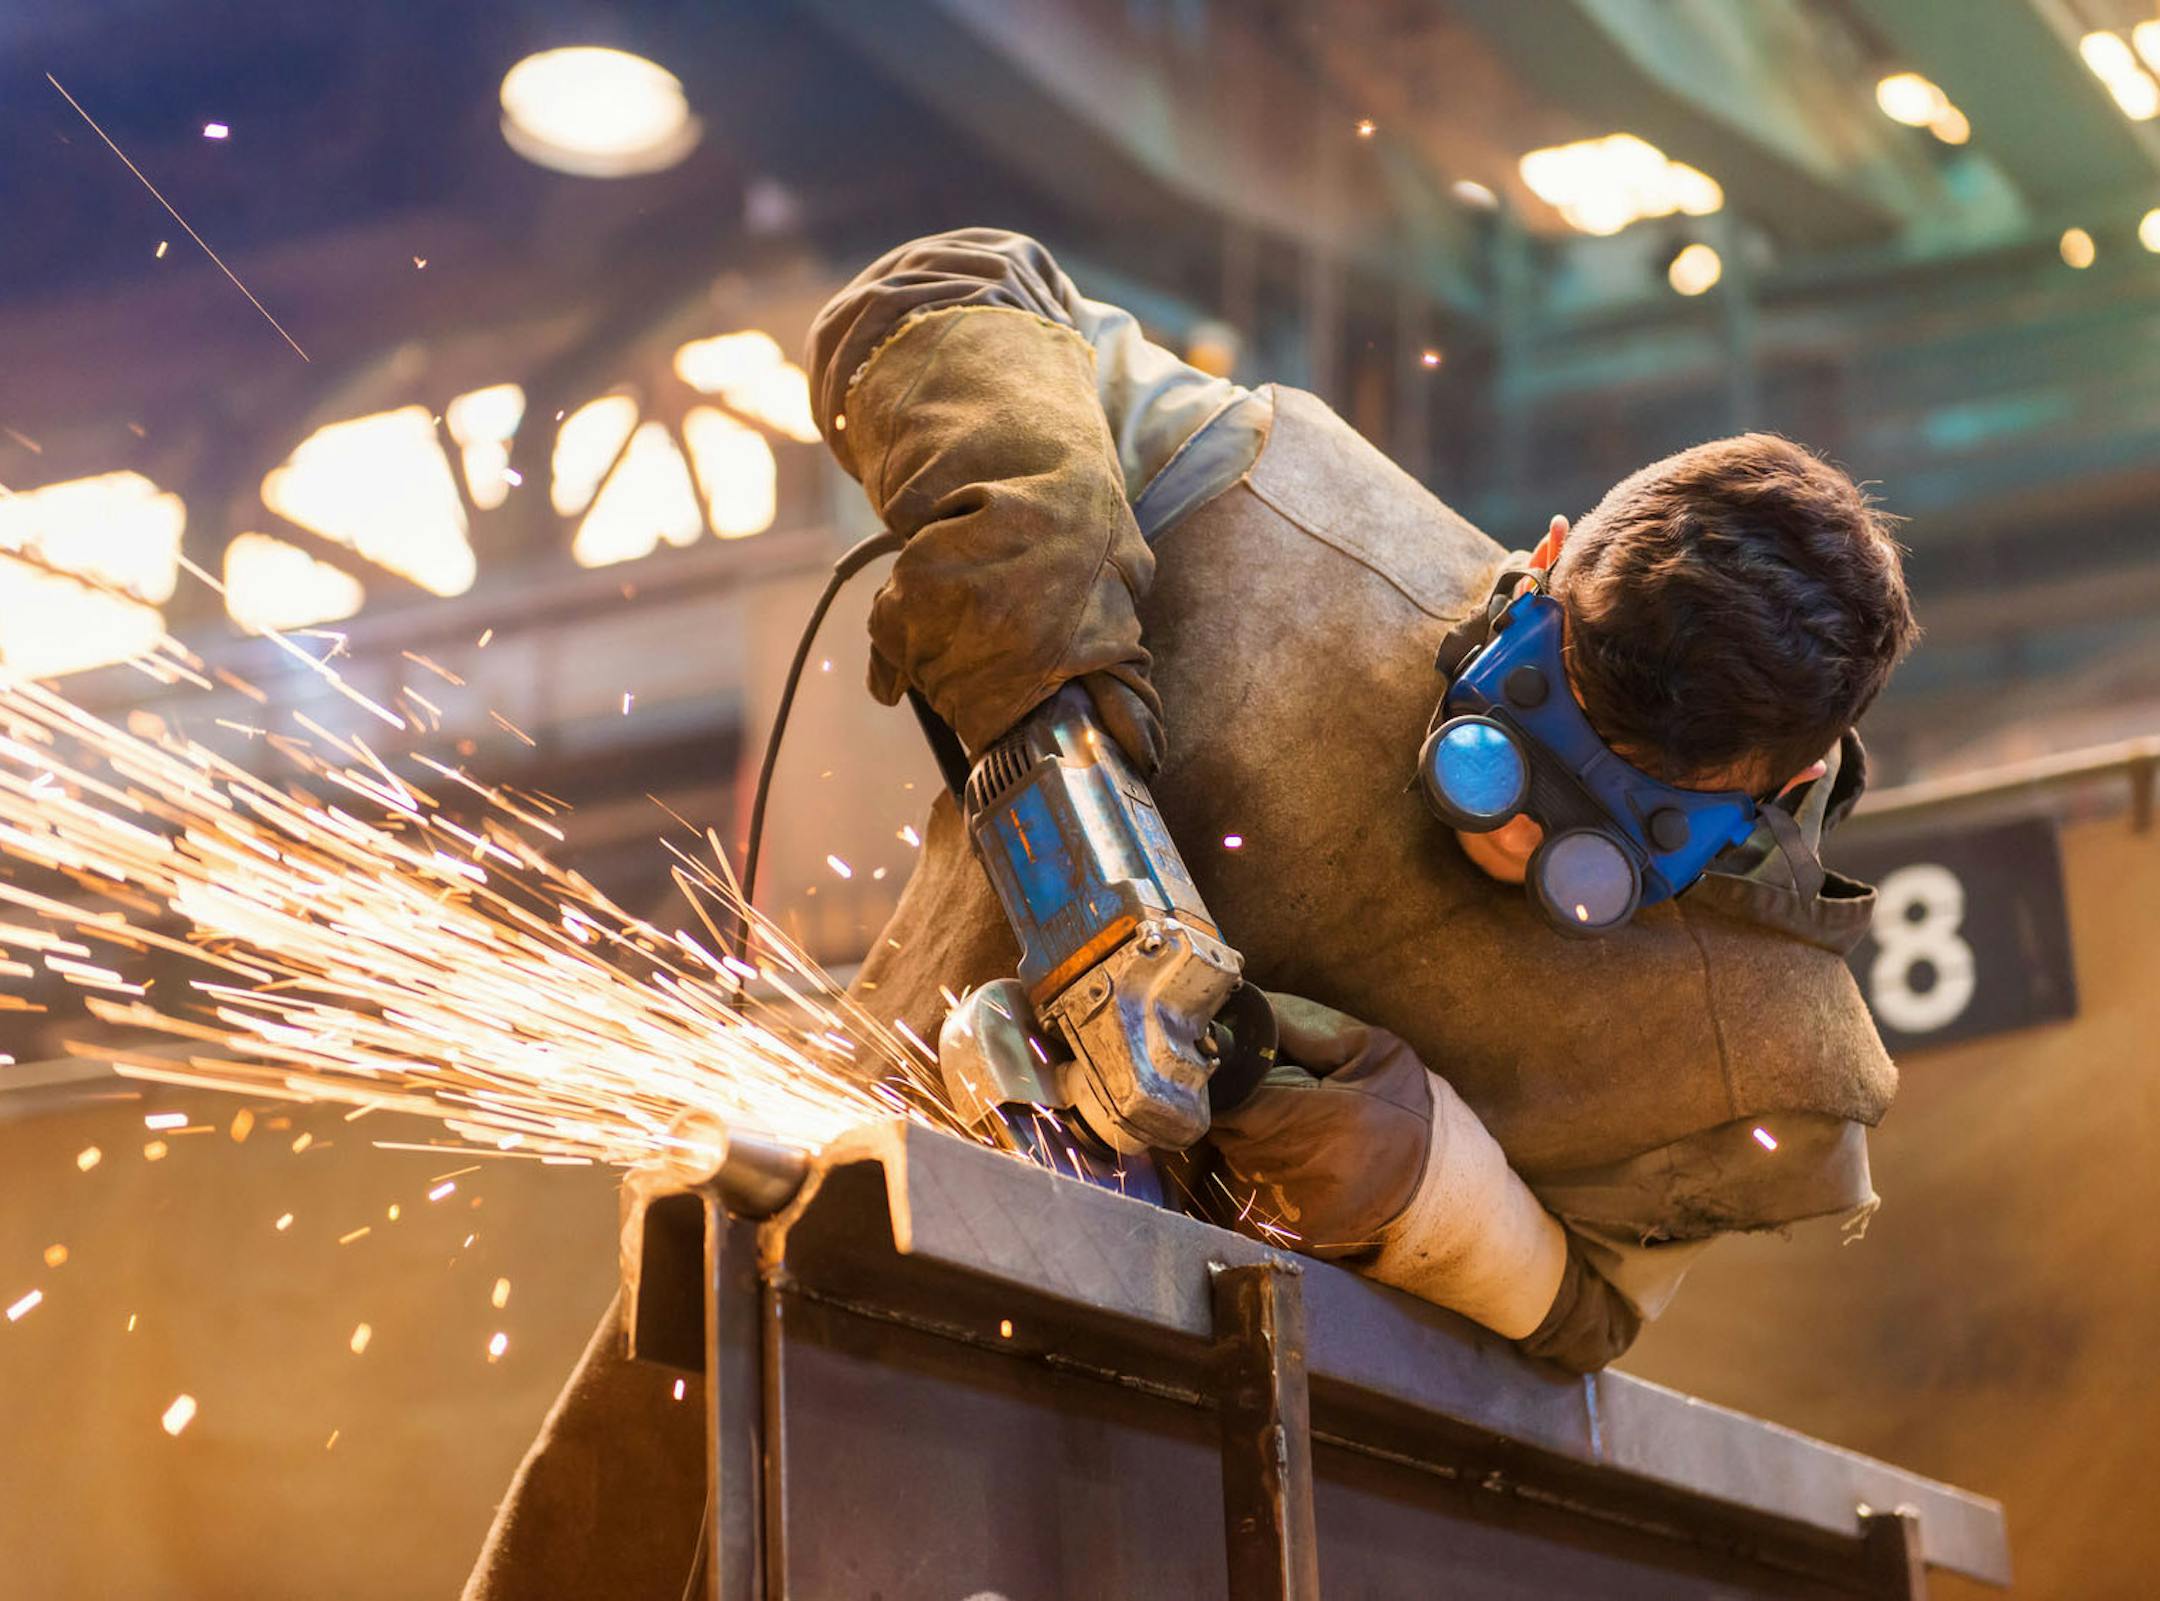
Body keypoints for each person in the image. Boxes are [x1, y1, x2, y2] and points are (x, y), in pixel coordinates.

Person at [462, 226, 1916, 1598]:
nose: (1514, 822)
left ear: (1784, 780)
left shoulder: (1760, 1061)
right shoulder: (1272, 511)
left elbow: (1586, 1319)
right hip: (817, 1261)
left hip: (1201, 1503)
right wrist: (1036, 596)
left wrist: (1429, 1187)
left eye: (1608, 829)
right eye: (1516, 731)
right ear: (1543, 562)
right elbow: (950, 286)